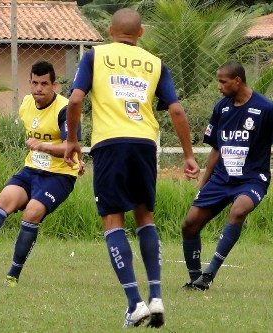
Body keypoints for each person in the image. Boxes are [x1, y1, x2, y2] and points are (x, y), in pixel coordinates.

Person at [64, 8, 200, 329]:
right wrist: (189, 155)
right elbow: (177, 111)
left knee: (112, 220)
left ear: (110, 31)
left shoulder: (95, 56)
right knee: (144, 217)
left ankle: (134, 304)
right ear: (140, 34)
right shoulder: (155, 63)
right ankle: (156, 296)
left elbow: (74, 101)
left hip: (110, 144)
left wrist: (72, 141)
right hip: (144, 144)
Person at [0, 61, 84, 287]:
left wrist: (44, 146)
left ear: (55, 85)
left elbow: (71, 146)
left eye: (44, 84)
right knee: (4, 201)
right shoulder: (26, 104)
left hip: (59, 176)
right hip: (32, 170)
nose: (38, 88)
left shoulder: (66, 109)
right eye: (34, 83)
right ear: (29, 83)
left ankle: (13, 275)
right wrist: (42, 148)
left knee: (31, 213)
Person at [181, 60, 273, 291]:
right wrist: (204, 182)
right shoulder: (221, 108)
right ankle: (195, 280)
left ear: (238, 81)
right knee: (189, 225)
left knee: (239, 210)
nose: (219, 87)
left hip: (252, 180)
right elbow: (216, 148)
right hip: (221, 179)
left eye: (222, 82)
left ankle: (209, 275)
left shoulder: (266, 109)